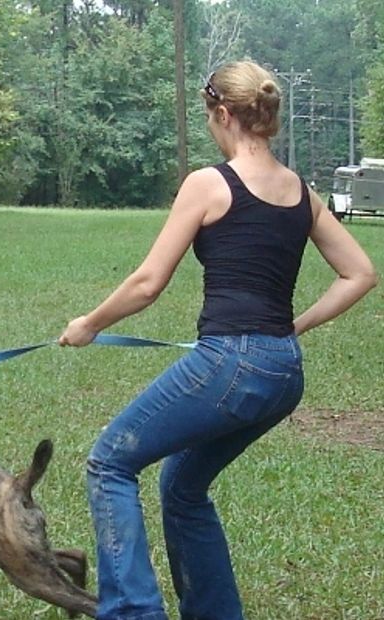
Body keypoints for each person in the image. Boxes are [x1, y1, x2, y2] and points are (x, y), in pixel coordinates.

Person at [58, 60, 376, 619]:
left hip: (228, 364)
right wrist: (292, 328)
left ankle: (133, 612)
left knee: (110, 463)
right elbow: (360, 273)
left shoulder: (210, 182)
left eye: (210, 116)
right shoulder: (302, 191)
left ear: (224, 113)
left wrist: (89, 323)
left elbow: (148, 282)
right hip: (283, 372)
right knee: (182, 489)